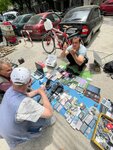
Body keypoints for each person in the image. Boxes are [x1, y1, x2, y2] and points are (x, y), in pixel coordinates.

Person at [0, 67, 56, 149]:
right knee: (49, 118)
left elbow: (27, 95)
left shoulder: (10, 90)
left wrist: (38, 91)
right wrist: (43, 93)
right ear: (30, 81)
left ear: (11, 81)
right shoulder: (24, 104)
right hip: (17, 139)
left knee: (34, 101)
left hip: (5, 129)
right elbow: (49, 113)